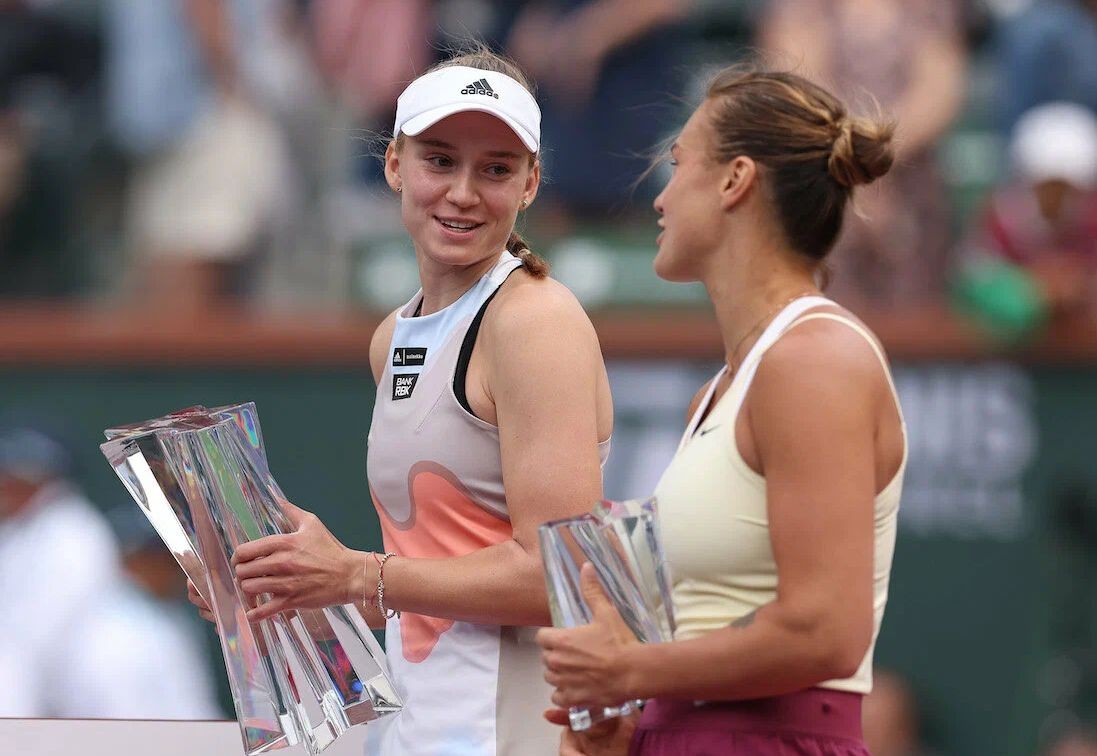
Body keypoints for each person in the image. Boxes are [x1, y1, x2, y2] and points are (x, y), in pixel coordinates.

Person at [189, 46, 614, 755]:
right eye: (440, 161)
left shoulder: (535, 321)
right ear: (394, 165)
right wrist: (300, 592)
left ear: (530, 183)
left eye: (496, 169)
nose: (462, 193)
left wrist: (356, 572)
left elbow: (559, 574)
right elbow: (425, 592)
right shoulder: (394, 336)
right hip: (414, 731)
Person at [536, 66, 906, 754]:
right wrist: (632, 718)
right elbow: (704, 639)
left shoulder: (814, 360)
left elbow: (826, 630)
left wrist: (629, 671)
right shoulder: (716, 393)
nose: (660, 196)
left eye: (678, 164)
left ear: (735, 180)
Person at [759, 0, 964, 307]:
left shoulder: (929, 7)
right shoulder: (800, 7)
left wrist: (875, 158)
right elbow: (798, 81)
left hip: (909, 190)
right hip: (820, 182)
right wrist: (856, 162)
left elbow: (939, 93)